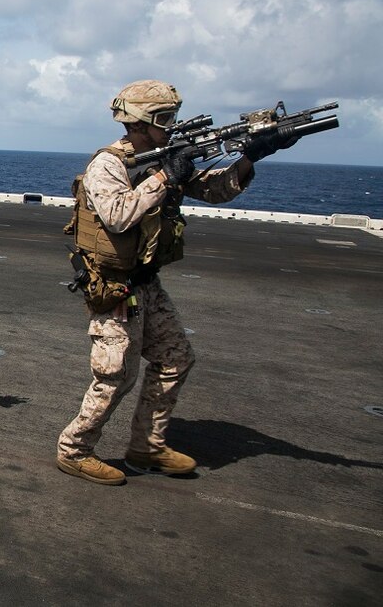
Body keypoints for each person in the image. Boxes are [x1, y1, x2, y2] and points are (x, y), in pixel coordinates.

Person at [55, 79, 288, 485]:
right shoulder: (108, 165)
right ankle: (74, 450)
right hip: (114, 288)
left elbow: (215, 190)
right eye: (164, 119)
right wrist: (165, 176)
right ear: (140, 122)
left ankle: (147, 447)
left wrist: (250, 158)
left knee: (176, 358)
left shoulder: (165, 156)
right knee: (116, 377)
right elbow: (118, 215)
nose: (171, 125)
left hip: (146, 283)